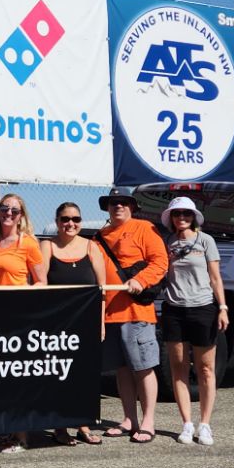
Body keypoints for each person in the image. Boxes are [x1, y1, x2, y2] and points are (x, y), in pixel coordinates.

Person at [96, 186, 168, 445]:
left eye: (124, 202)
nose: (118, 206)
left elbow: (160, 262)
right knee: (123, 370)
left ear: (133, 207)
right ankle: (129, 419)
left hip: (137, 312)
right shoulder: (99, 236)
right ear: (107, 207)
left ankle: (148, 422)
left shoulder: (144, 228)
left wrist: (140, 280)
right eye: (113, 202)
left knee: (143, 368)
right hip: (110, 315)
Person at [0, 193, 46, 452]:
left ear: (21, 216)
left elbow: (41, 282)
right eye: (4, 208)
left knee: (17, 377)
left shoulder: (28, 243)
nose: (8, 213)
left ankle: (21, 435)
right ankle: (4, 429)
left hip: (18, 318)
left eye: (14, 210)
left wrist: (25, 296)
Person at [159, 196, 225, 447]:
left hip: (203, 308)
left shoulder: (206, 240)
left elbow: (215, 277)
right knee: (178, 368)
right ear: (171, 218)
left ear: (194, 217)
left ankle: (205, 424)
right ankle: (187, 423)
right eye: (177, 214)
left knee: (205, 369)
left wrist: (223, 307)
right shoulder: (166, 242)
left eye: (186, 213)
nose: (182, 218)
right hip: (174, 310)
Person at [40, 201, 107, 446]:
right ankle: (60, 426)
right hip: (57, 325)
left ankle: (83, 424)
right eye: (65, 219)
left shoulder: (92, 247)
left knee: (84, 375)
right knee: (59, 375)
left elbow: (102, 290)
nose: (70, 223)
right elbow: (41, 284)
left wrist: (100, 322)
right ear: (57, 222)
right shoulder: (47, 246)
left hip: (85, 323)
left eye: (76, 219)